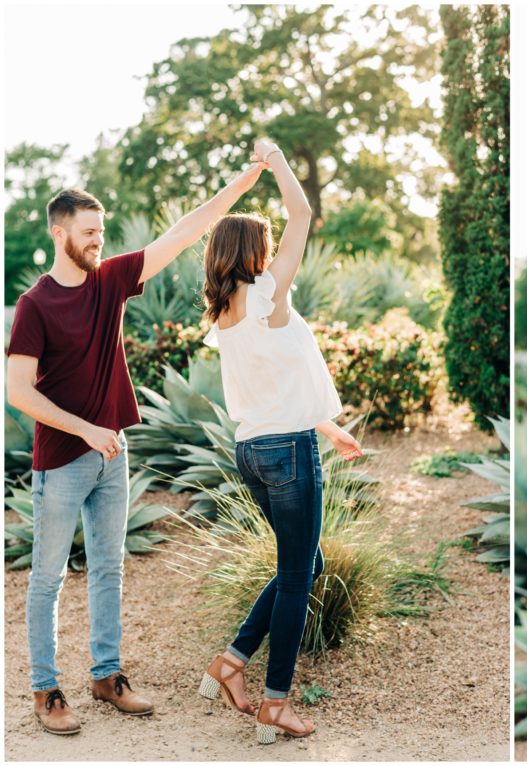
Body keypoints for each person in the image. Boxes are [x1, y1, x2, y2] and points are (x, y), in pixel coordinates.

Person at [6, 163, 265, 735]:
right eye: (88, 232)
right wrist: (85, 430)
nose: (99, 240)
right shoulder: (35, 305)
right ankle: (47, 691)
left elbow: (186, 231)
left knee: (108, 569)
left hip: (111, 456)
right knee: (47, 579)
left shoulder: (112, 279)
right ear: (59, 233)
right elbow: (17, 391)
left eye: (102, 231)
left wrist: (243, 184)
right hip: (63, 461)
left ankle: (106, 676)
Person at [196, 137, 363, 745]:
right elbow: (303, 213)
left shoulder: (224, 315)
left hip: (254, 451)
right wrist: (276, 160)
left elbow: (274, 387)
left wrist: (330, 426)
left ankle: (232, 661)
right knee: (297, 576)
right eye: (265, 247)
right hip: (287, 454)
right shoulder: (267, 295)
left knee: (304, 563)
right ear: (253, 252)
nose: (274, 253)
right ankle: (274, 703)